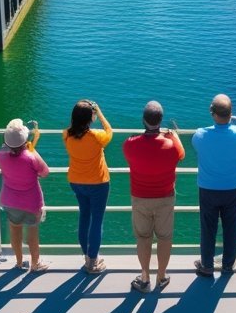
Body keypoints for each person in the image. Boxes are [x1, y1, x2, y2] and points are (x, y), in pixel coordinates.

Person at [122, 101, 185, 292]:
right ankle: (162, 276)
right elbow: (181, 154)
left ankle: (144, 277)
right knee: (165, 238)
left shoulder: (130, 145)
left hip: (140, 198)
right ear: (161, 120)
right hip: (165, 197)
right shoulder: (172, 146)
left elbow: (134, 151)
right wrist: (173, 136)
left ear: (143, 120)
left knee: (143, 237)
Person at [192, 94, 236, 276]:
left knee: (208, 228)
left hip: (208, 189)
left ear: (212, 114)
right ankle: (228, 264)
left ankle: (207, 265)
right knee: (231, 227)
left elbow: (197, 146)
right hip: (233, 188)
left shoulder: (200, 135)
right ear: (230, 114)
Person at [63, 100, 112, 274]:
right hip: (98, 183)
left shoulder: (66, 135)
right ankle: (93, 262)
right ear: (90, 118)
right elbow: (109, 131)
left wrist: (90, 114)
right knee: (96, 221)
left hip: (76, 182)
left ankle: (86, 256)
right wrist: (99, 113)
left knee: (84, 216)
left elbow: (75, 131)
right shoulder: (96, 137)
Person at [0, 117, 50, 272]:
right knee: (32, 234)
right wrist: (32, 150)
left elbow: (9, 154)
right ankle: (35, 264)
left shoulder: (0, 154)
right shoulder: (30, 156)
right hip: (31, 203)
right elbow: (44, 172)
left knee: (15, 230)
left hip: (9, 201)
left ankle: (19, 262)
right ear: (25, 141)